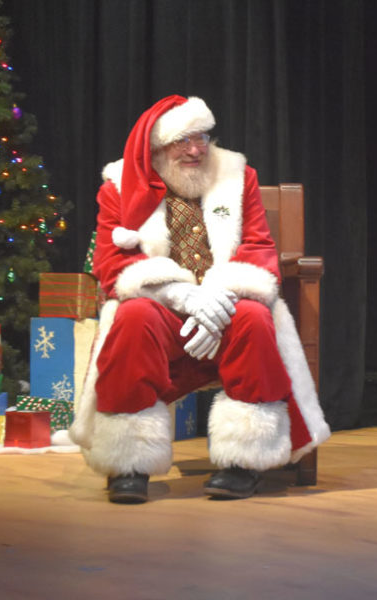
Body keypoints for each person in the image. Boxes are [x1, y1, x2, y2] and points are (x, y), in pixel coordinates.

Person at [69, 95, 330, 504]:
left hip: (225, 304)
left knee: (253, 318)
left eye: (202, 138)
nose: (195, 150)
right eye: (182, 141)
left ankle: (244, 463)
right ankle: (129, 464)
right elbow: (110, 263)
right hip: (162, 308)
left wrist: (215, 305)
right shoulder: (118, 186)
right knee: (132, 317)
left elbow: (258, 247)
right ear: (156, 145)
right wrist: (182, 295)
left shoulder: (236, 176)